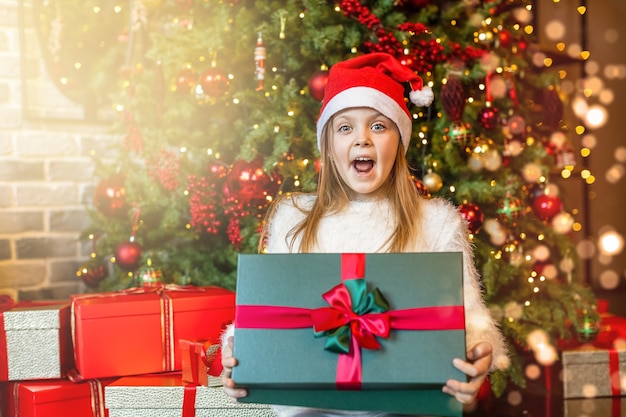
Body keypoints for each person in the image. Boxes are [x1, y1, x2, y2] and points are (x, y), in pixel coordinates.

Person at [221, 52, 509, 417]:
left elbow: (472, 322)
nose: (362, 140)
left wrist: (478, 351)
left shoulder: (438, 223)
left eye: (378, 126)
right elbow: (268, 314)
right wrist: (239, 352)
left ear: (399, 142)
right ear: (328, 146)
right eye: (345, 128)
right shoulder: (293, 219)